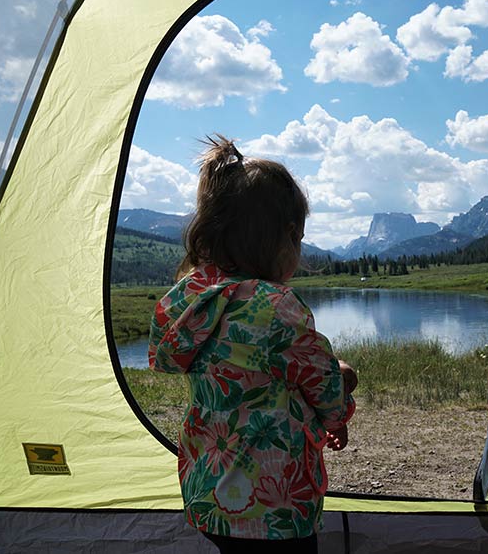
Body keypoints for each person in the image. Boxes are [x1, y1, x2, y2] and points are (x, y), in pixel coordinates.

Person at [149, 135, 356, 554]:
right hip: (275, 506)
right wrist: (345, 380)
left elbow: (171, 357)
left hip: (209, 495)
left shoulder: (187, 299)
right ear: (288, 235)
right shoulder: (277, 306)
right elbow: (326, 391)